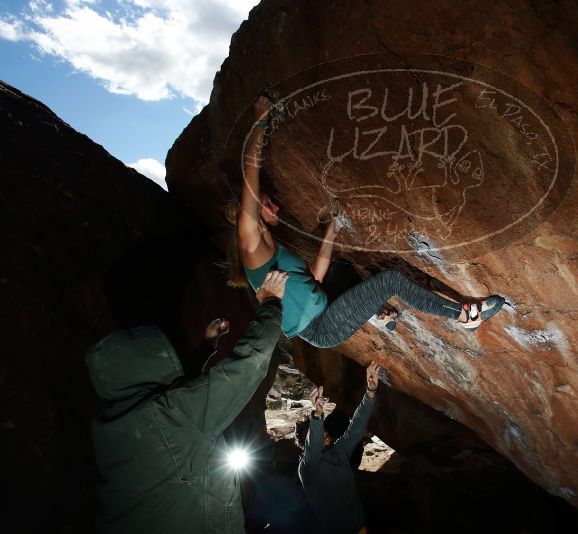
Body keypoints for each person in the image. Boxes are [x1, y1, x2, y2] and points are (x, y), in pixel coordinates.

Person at [226, 95, 505, 349]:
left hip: (327, 300)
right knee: (390, 281)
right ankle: (465, 315)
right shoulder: (251, 245)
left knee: (341, 268)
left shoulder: (269, 249)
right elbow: (251, 172)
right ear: (247, 211)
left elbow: (315, 277)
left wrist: (331, 233)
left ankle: (377, 314)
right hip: (323, 326)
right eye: (265, 202)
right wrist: (260, 120)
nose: (275, 206)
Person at [86, 271, 288, 534]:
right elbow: (247, 365)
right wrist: (270, 304)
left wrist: (206, 348)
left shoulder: (111, 426)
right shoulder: (168, 418)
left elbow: (172, 400)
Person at [295, 362, 382, 534]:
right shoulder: (307, 468)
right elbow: (312, 448)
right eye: (320, 434)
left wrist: (370, 392)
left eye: (325, 434)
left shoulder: (338, 452)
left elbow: (356, 427)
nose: (325, 437)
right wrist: (318, 415)